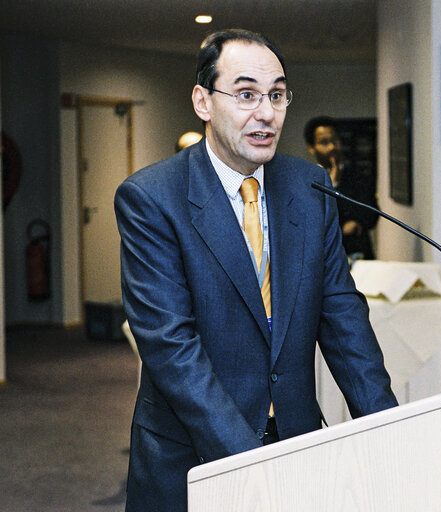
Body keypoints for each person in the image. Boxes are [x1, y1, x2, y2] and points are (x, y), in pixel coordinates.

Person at [114, 29, 397, 512]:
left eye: (277, 95)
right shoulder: (151, 198)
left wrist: (393, 431)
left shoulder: (309, 186)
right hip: (193, 453)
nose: (266, 113)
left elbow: (342, 314)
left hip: (295, 439)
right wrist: (253, 464)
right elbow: (171, 347)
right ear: (203, 101)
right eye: (246, 94)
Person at [304, 116, 379, 260]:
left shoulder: (359, 177)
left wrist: (357, 223)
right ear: (311, 148)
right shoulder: (306, 182)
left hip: (359, 256)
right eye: (324, 143)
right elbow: (312, 223)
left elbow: (372, 215)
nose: (332, 147)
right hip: (324, 260)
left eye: (335, 141)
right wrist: (330, 187)